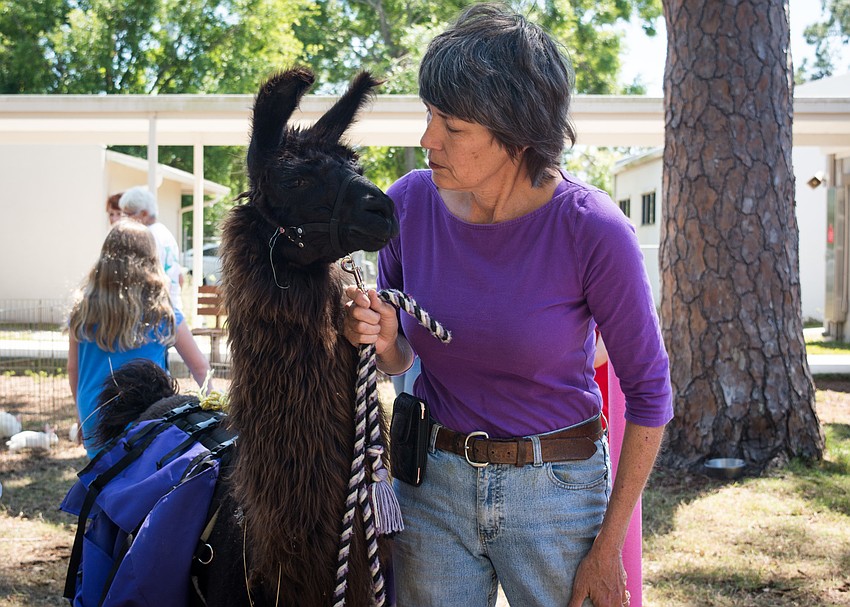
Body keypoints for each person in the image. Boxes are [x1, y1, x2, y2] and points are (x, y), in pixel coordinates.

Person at [343, 4, 673, 607]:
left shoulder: (592, 229)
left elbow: (651, 394)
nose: (427, 139)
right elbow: (400, 362)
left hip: (557, 495)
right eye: (428, 115)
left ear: (516, 135)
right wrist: (386, 338)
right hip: (431, 486)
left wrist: (607, 549)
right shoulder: (409, 207)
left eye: (452, 126)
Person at [67, 220, 212, 458]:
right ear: (150, 260)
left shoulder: (82, 310)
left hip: (95, 416)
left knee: (103, 478)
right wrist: (212, 402)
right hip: (147, 419)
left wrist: (80, 415)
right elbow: (199, 366)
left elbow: (74, 369)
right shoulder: (162, 312)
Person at [119, 186, 184, 312]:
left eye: (128, 214)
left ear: (143, 214)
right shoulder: (165, 233)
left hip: (156, 309)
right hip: (173, 306)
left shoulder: (146, 237)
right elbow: (180, 278)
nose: (124, 219)